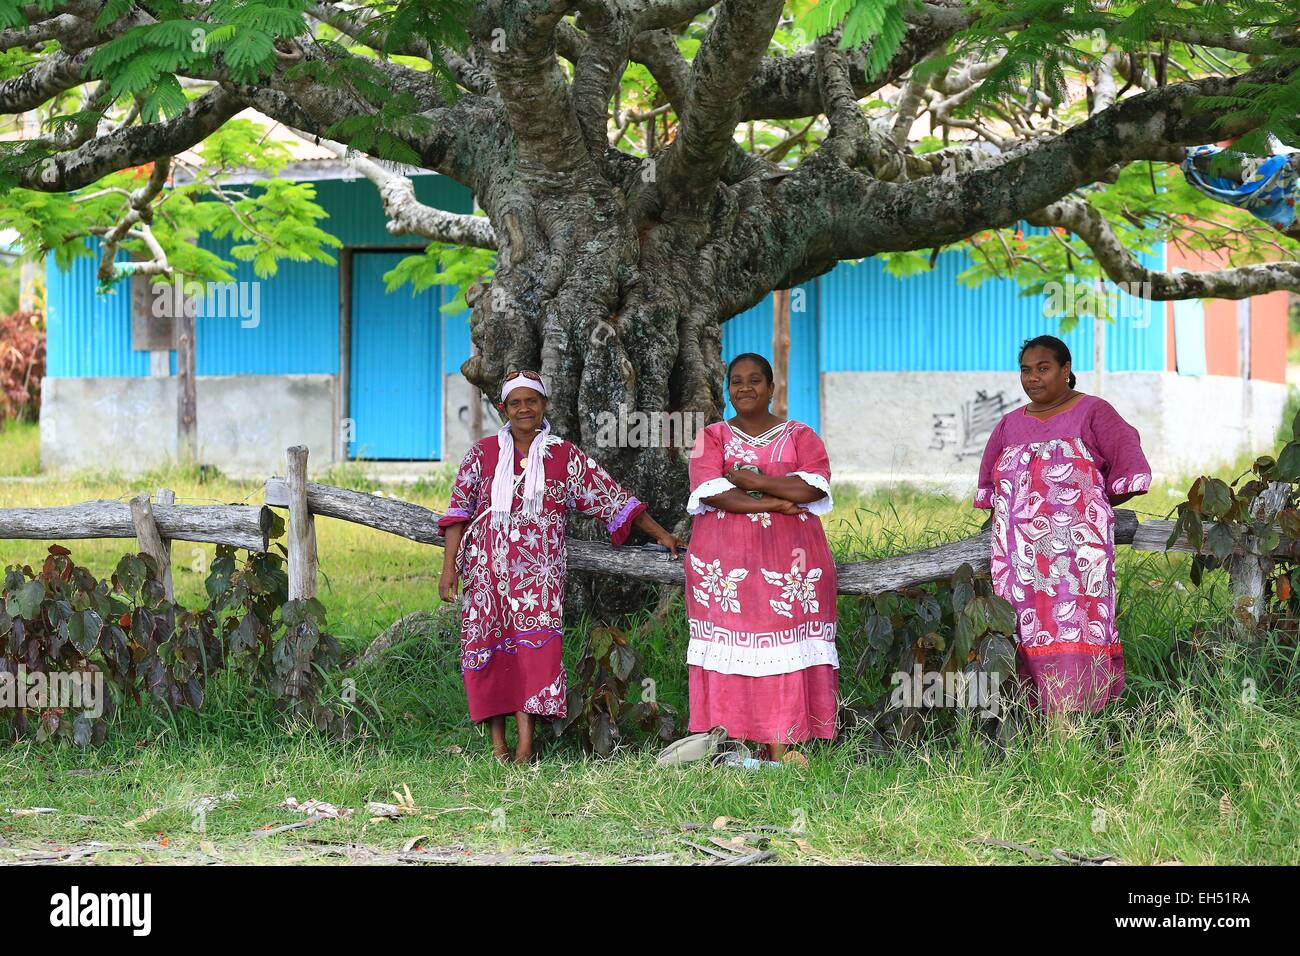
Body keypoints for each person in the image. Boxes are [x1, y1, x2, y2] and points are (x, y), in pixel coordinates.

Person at [438, 370, 683, 762]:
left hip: (538, 578)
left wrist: (662, 535)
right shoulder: (481, 454)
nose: (523, 409)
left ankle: (525, 744)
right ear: (503, 409)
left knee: (532, 655)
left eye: (531, 401)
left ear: (544, 406)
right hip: (485, 576)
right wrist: (449, 570)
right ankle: (497, 743)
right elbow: (457, 514)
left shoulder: (563, 456)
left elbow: (611, 498)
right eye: (515, 403)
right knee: (488, 651)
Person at [974, 335, 1152, 715]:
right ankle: (1028, 722)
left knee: (1075, 625)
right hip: (1020, 561)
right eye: (1026, 370)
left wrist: (1092, 508)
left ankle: (1072, 726)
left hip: (1076, 558)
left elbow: (1128, 469)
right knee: (1024, 628)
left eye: (1043, 368)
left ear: (1066, 370)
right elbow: (994, 491)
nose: (1033, 378)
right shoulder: (1009, 426)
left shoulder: (1093, 413)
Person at [683, 353, 839, 764]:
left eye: (755, 380)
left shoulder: (801, 435)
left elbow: (812, 490)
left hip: (791, 568)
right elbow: (713, 492)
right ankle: (734, 745)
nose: (745, 388)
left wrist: (754, 482)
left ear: (772, 388)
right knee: (733, 647)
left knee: (783, 648)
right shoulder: (710, 437)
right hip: (725, 570)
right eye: (736, 381)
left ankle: (782, 744)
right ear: (727, 389)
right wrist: (775, 498)